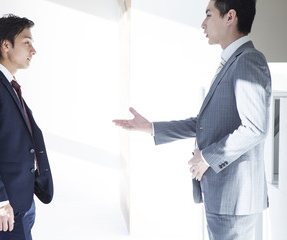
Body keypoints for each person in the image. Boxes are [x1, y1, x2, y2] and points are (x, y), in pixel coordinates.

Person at [113, 0, 271, 239]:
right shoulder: (233, 61)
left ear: (230, 17)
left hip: (234, 198)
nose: (203, 23)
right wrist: (151, 128)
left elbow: (255, 128)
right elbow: (205, 122)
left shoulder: (248, 60)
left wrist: (207, 157)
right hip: (225, 196)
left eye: (209, 15)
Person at [0, 14, 53, 240]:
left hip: (21, 198)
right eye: (27, 42)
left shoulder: (7, 84)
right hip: (5, 202)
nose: (33, 50)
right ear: (6, 45)